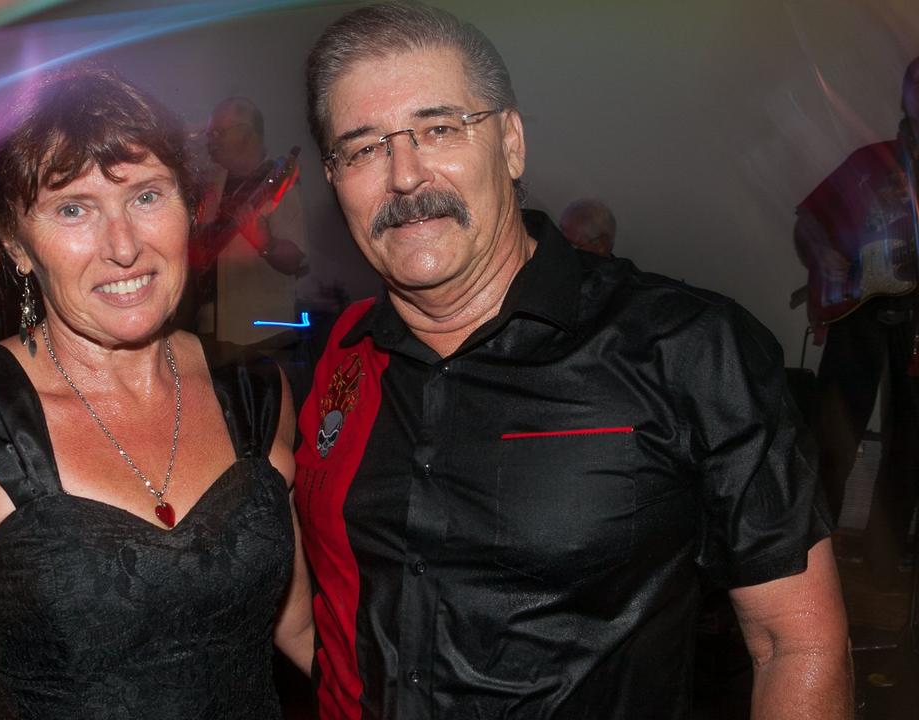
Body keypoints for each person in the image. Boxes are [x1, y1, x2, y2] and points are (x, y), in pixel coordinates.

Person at [293, 3, 851, 718]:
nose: (404, 175)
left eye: (438, 128)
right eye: (363, 148)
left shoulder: (686, 348)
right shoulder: (341, 356)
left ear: (513, 143)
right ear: (334, 177)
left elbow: (795, 643)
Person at [0, 67, 312, 719]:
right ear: (16, 243)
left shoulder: (257, 395)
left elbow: (299, 628)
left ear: (190, 206)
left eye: (147, 196)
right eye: (73, 207)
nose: (124, 246)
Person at [793, 55, 919, 590]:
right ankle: (810, 555)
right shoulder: (870, 163)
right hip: (857, 314)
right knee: (833, 437)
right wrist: (823, 257)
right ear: (906, 97)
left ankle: (883, 562)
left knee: (911, 443)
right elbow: (809, 218)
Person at [191, 96, 309, 348]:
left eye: (219, 132)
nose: (210, 139)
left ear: (247, 134)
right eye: (210, 133)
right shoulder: (212, 184)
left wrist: (265, 243)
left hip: (260, 337)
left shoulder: (279, 181)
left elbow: (295, 258)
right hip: (209, 331)